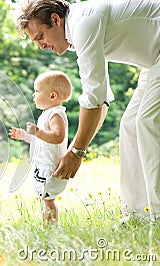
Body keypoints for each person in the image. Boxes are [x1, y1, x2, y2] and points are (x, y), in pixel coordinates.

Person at [16, 0, 160, 222]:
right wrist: (75, 150)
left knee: (147, 121)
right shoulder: (78, 31)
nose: (41, 46)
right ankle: (137, 215)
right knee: (129, 126)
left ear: (55, 19)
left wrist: (77, 152)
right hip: (153, 62)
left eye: (41, 37)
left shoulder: (84, 23)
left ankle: (158, 215)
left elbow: (94, 98)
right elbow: (101, 101)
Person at [10, 70, 72, 226]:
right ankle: (48, 226)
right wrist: (24, 135)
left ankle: (50, 229)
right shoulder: (47, 114)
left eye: (37, 91)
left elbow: (58, 136)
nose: (33, 95)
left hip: (51, 168)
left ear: (52, 96)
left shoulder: (55, 115)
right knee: (45, 199)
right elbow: (41, 140)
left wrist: (37, 131)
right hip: (43, 166)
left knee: (48, 200)